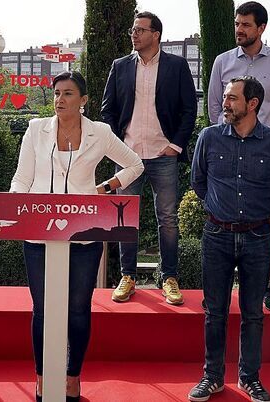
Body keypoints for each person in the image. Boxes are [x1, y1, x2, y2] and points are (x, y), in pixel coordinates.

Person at [10, 71, 144, 401]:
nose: (59, 99)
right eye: (56, 93)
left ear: (83, 101)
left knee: (79, 308)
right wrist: (15, 209)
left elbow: (134, 164)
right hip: (39, 234)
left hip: (85, 233)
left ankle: (72, 376)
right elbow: (21, 178)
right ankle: (42, 377)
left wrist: (102, 189)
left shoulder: (100, 132)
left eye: (68, 94)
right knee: (42, 309)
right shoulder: (35, 130)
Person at [188, 76, 270, 402]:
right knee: (214, 311)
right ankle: (213, 377)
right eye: (226, 97)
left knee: (253, 313)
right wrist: (221, 210)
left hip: (258, 237)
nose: (225, 103)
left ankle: (249, 379)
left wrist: (258, 213)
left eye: (232, 98)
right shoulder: (209, 137)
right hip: (216, 234)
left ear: (252, 104)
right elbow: (198, 182)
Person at [101, 11, 197, 305]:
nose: (134, 34)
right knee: (124, 218)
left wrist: (176, 145)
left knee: (167, 219)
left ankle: (169, 277)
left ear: (156, 35)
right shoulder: (120, 66)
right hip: (128, 157)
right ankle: (127, 277)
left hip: (163, 155)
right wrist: (118, 146)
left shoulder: (177, 66)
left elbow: (188, 110)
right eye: (133, 29)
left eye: (140, 30)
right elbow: (108, 111)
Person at [208, 1, 270, 312]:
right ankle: (216, 292)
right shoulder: (222, 61)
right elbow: (214, 108)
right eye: (237, 24)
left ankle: (268, 288)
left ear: (261, 28)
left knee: (266, 221)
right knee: (221, 220)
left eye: (246, 25)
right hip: (227, 147)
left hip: (265, 149)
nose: (239, 30)